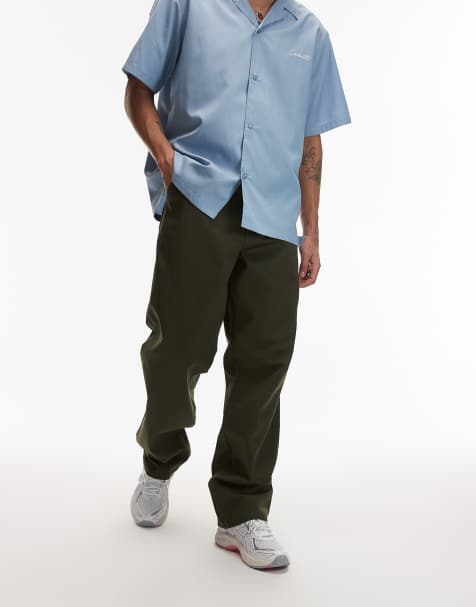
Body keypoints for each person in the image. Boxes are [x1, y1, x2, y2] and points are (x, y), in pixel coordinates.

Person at [122, 0, 350, 570]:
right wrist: (167, 161)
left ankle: (242, 510)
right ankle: (158, 460)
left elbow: (310, 141)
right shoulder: (188, 5)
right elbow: (138, 88)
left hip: (273, 217)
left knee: (264, 361)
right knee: (177, 350)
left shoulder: (310, 33)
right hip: (200, 199)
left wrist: (311, 230)